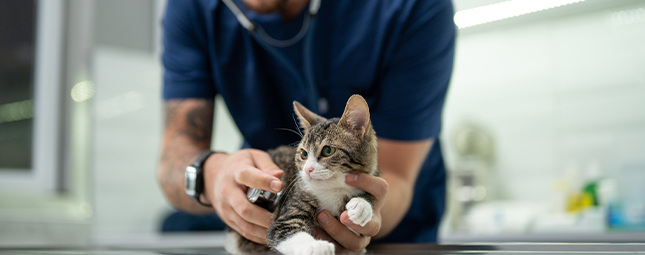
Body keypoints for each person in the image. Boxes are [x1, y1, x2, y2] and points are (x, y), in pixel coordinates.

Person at [157, 0, 455, 251]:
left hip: (395, 237)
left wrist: (357, 217)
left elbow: (395, 177)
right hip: (274, 224)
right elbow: (173, 160)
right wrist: (210, 174)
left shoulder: (414, 7)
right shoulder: (190, 7)